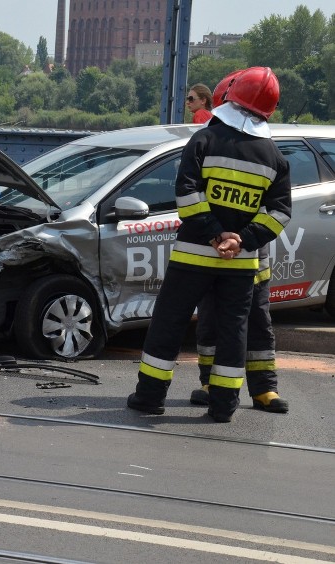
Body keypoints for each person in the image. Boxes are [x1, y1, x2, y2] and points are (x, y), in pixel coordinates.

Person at [127, 67, 291, 423]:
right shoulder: (275, 158)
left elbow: (186, 195)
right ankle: (223, 407)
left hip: (194, 257)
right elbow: (279, 214)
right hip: (242, 264)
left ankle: (150, 397)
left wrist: (215, 234)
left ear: (229, 96)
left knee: (169, 323)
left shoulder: (203, 140)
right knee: (234, 332)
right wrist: (241, 240)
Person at [191, 70, 288, 414]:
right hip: (212, 253)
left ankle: (264, 390)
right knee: (212, 322)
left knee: (258, 322)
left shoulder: (266, 152)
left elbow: (275, 209)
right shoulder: (209, 142)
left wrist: (243, 240)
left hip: (250, 256)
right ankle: (210, 383)